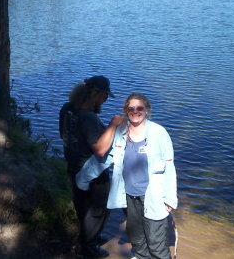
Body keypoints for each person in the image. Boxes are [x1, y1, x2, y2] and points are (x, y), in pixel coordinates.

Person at [76, 93, 177, 259]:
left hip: (154, 196)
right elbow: (104, 158)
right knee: (137, 238)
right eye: (131, 109)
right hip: (129, 196)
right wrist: (83, 179)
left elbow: (169, 167)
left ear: (147, 110)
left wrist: (170, 198)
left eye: (139, 108)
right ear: (126, 111)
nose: (135, 111)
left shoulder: (159, 133)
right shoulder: (121, 132)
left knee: (156, 243)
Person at [59, 75, 122, 258]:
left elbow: (62, 134)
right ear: (96, 94)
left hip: (73, 166)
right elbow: (100, 149)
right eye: (105, 96)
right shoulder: (88, 118)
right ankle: (89, 248)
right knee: (97, 210)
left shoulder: (67, 109)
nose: (105, 100)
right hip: (92, 172)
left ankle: (88, 239)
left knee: (82, 206)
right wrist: (113, 125)